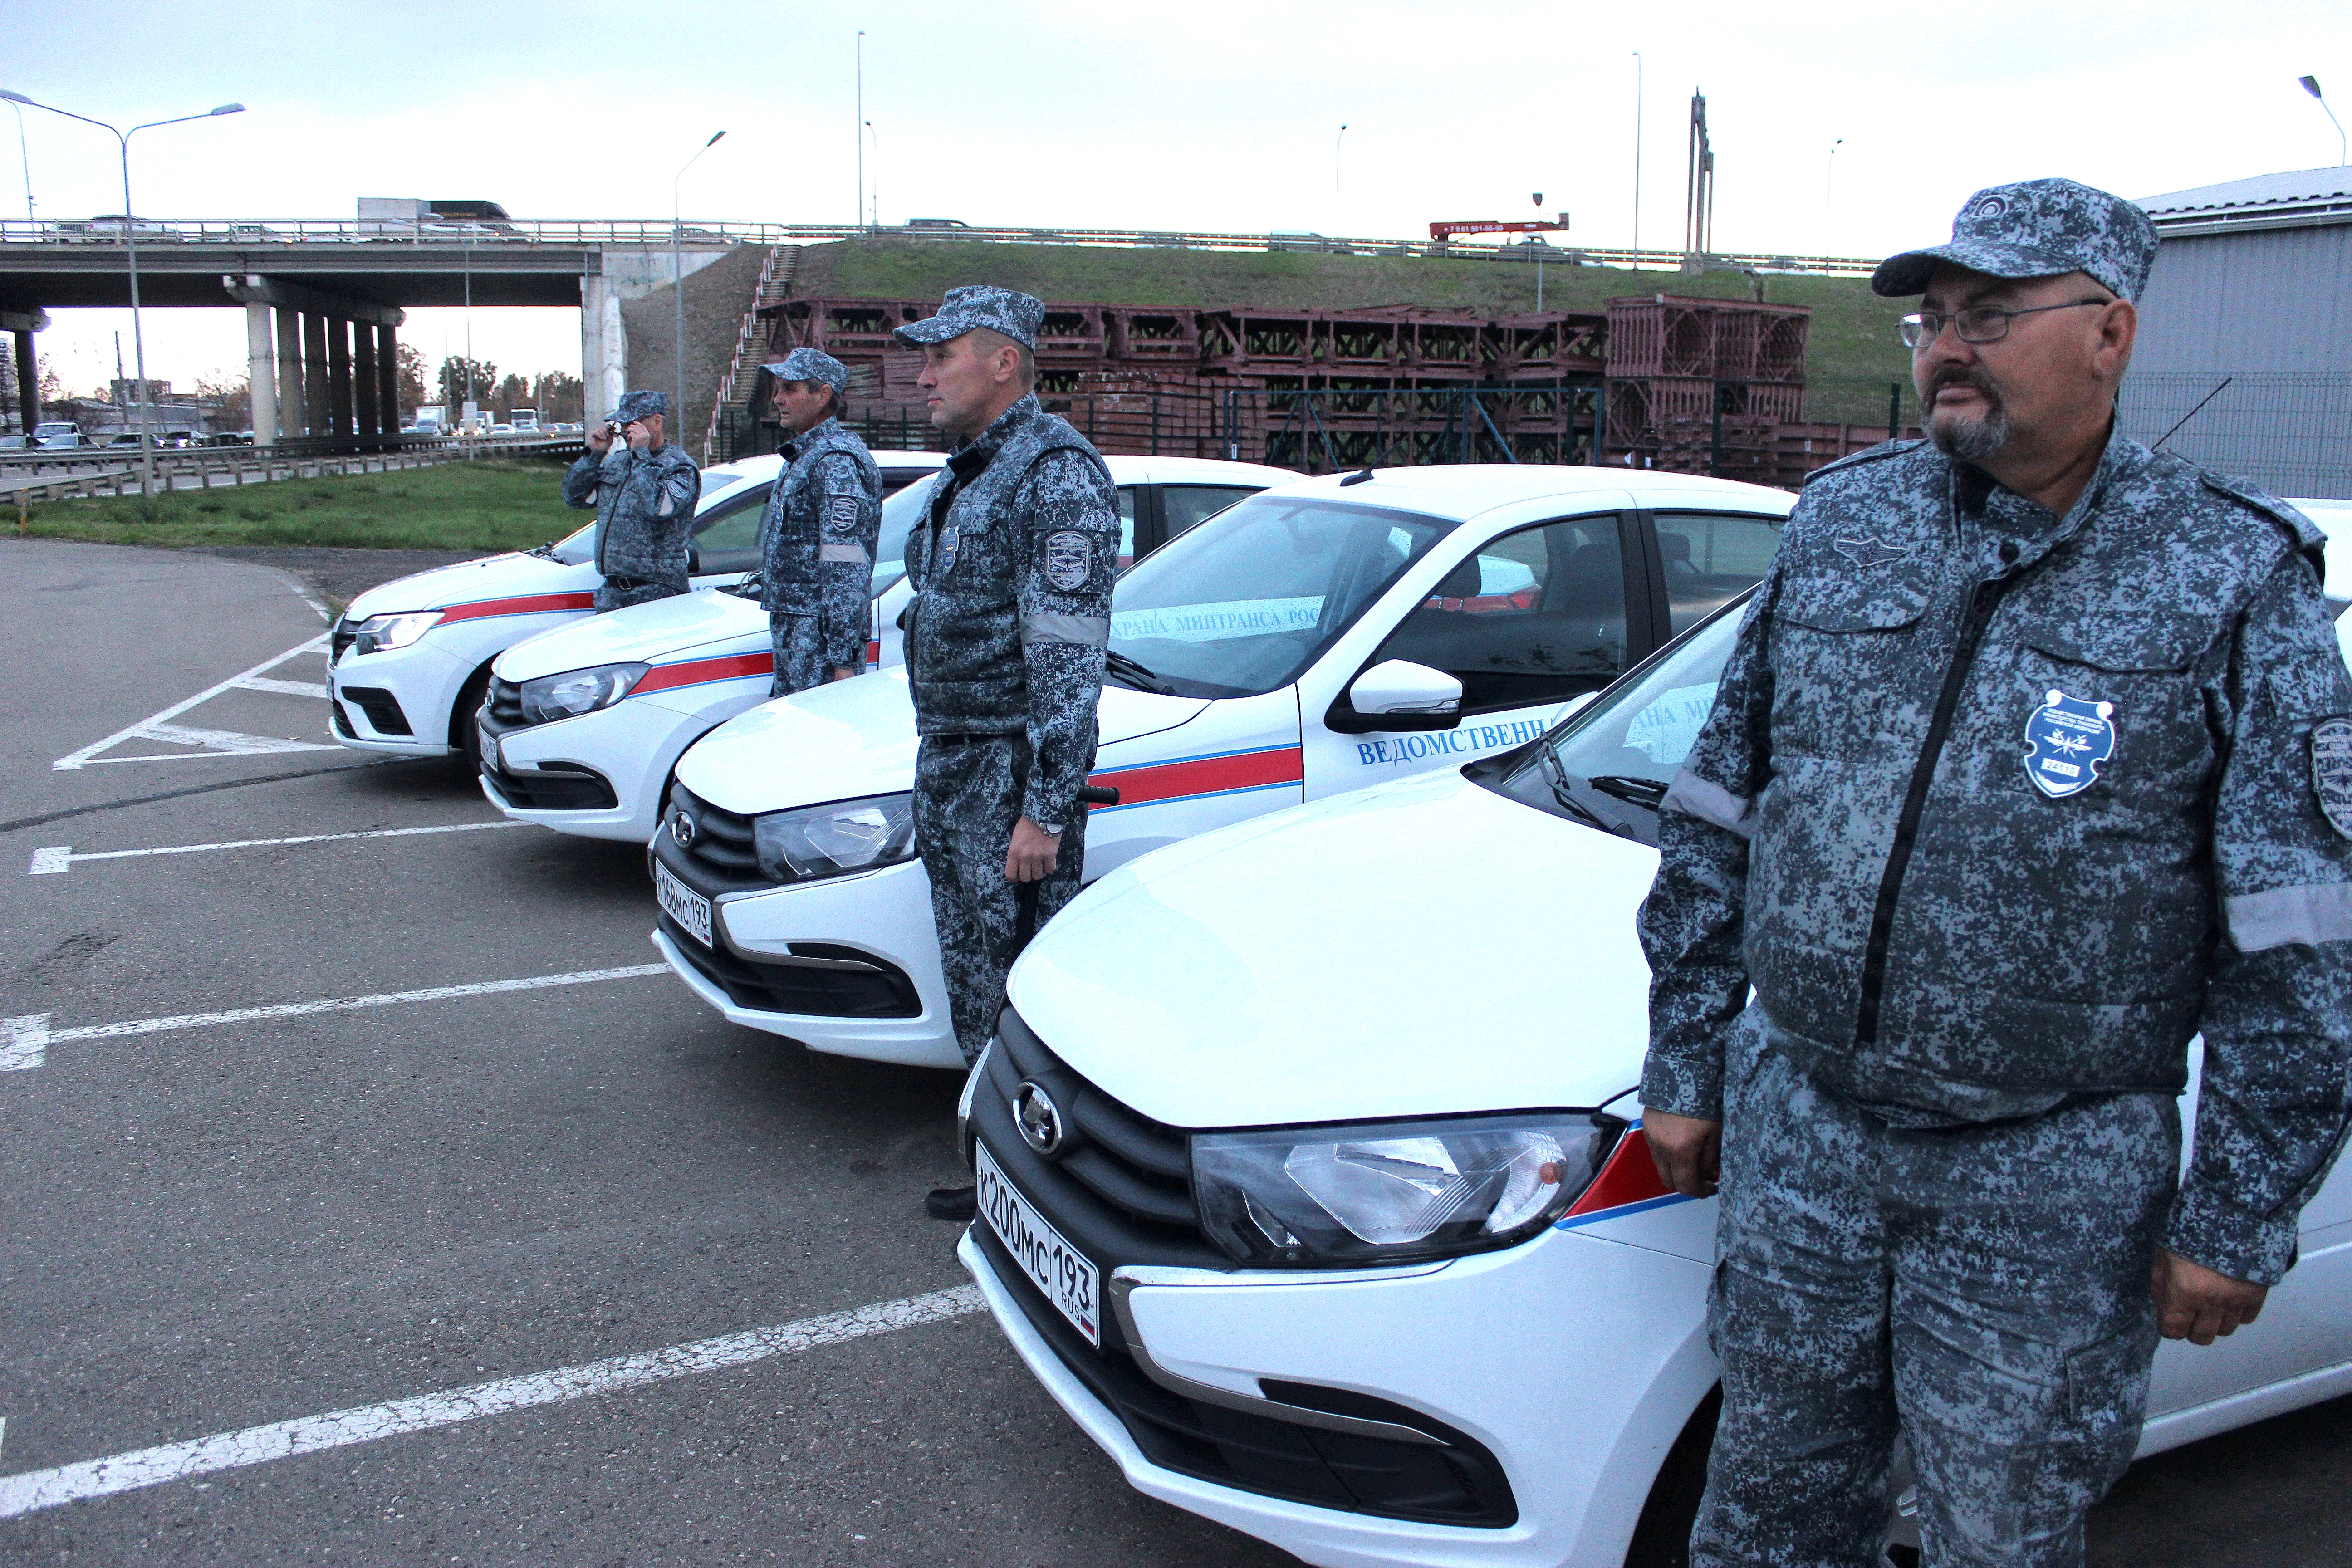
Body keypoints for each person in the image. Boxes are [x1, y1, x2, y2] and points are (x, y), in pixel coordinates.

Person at [1637, 178, 2352, 1566]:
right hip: (1806, 1136)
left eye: (1993, 316)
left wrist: (2239, 1210)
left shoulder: (2228, 573)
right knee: (1767, 1511)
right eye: (1932, 319)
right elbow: (1721, 807)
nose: (1947, 347)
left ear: (2112, 334)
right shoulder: (1844, 524)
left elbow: (2300, 929)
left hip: (2050, 1173)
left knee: (1998, 1534)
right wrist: (1686, 1059)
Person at [890, 287, 1119, 1222]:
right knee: (977, 980)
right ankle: (997, 1174)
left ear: (1004, 362)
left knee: (1022, 991)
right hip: (953, 766)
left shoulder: (1053, 476)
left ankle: (1044, 1192)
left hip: (1005, 780)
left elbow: (1067, 661)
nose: (923, 373)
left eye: (941, 355)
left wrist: (1046, 808)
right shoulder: (974, 473)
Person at [754, 348, 883, 695]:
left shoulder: (835, 462)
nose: (777, 399)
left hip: (818, 639)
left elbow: (846, 562)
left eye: (790, 390)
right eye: (777, 389)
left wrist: (843, 659)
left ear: (822, 395)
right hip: (796, 631)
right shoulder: (805, 457)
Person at [560, 389, 701, 612]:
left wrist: (642, 455)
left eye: (633, 423)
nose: (626, 430)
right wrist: (594, 454)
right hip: (613, 593)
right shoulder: (619, 462)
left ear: (657, 423)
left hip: (658, 594)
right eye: (623, 423)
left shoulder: (679, 466)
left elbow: (660, 508)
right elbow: (574, 498)